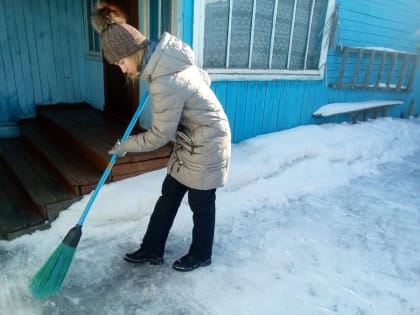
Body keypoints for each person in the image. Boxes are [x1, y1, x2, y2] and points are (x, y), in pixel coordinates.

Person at [92, 3, 231, 272]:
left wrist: (125, 146)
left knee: (201, 203)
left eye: (121, 62)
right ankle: (152, 248)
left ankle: (202, 254)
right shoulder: (167, 63)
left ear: (133, 52)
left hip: (208, 142)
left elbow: (159, 136)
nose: (122, 69)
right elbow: (202, 78)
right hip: (190, 138)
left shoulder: (164, 80)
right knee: (169, 195)